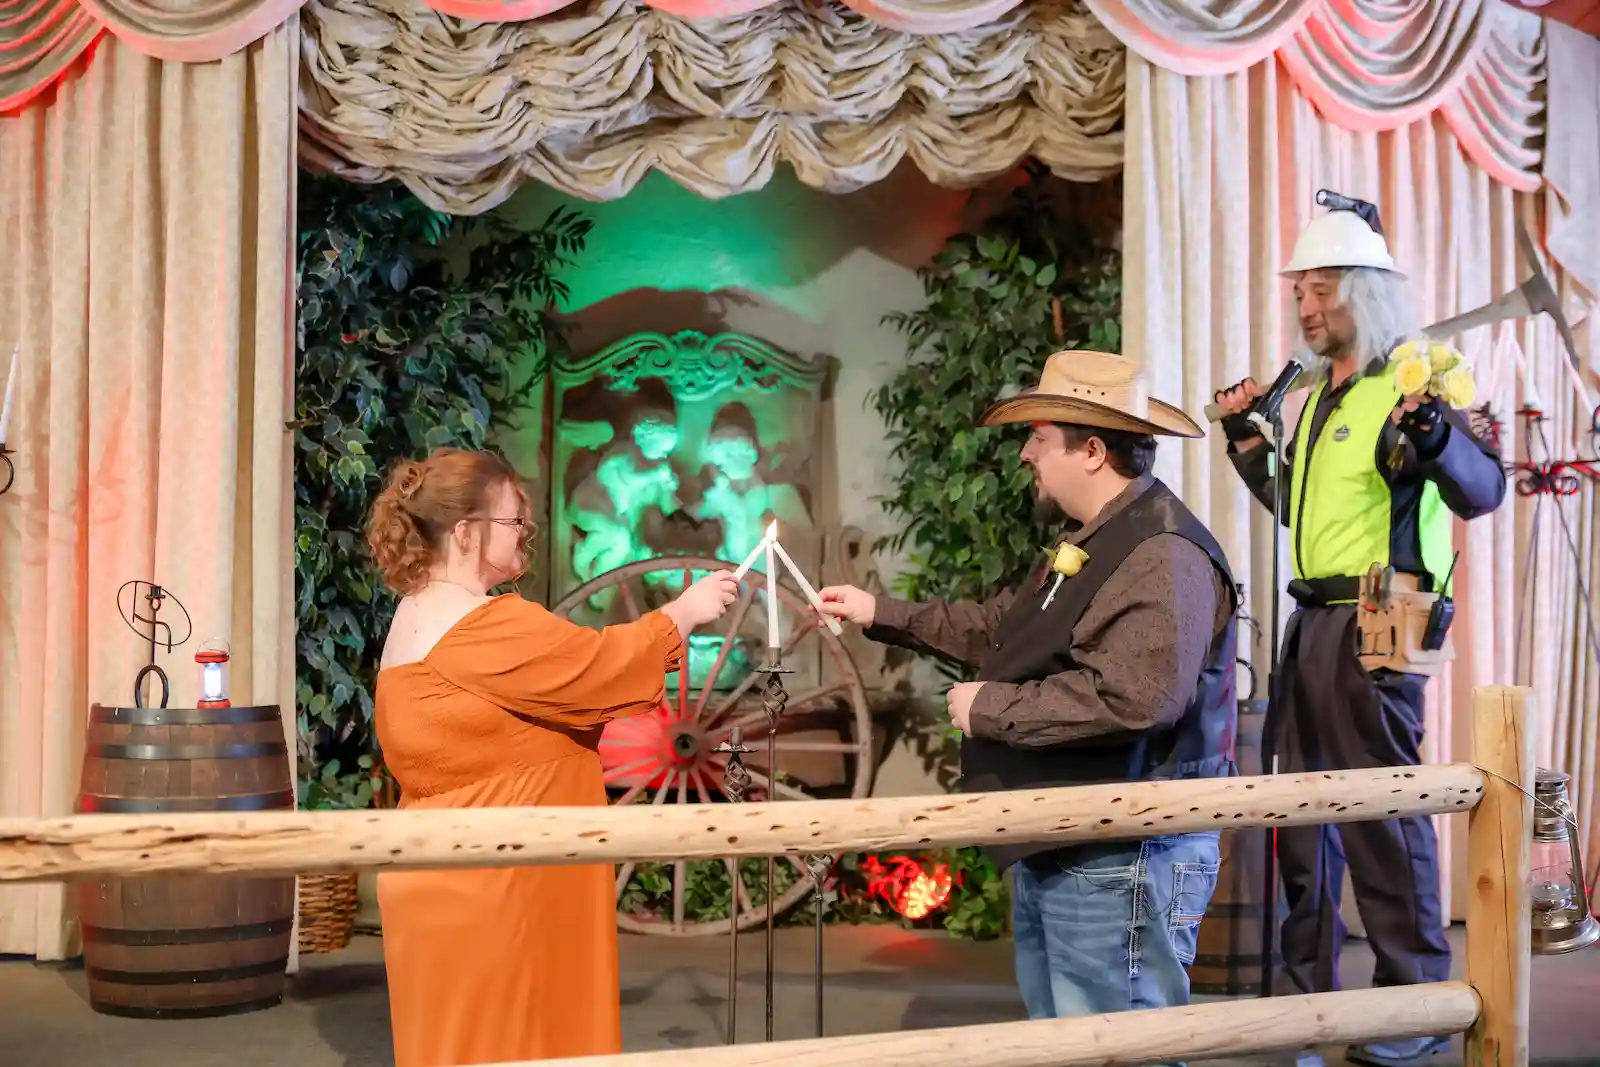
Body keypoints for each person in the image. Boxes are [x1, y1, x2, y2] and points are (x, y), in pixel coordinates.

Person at [820, 350, 1239, 1027]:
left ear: (1094, 450)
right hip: (1070, 837)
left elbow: (1138, 696)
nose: (1025, 455)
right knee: (1064, 1035)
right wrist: (882, 613)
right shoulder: (1097, 538)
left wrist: (990, 707)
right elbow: (1005, 629)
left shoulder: (1162, 554)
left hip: (1123, 852)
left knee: (1120, 1040)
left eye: (1039, 437)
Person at [1212, 192, 1507, 1067]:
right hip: (1311, 622)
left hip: (1380, 623)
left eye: (1324, 289)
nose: (1307, 306)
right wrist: (1243, 437)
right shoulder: (1311, 393)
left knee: (1385, 818)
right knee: (1299, 824)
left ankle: (1412, 1003)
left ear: (1367, 293)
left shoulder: (1415, 378)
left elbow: (1482, 491)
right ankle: (1305, 1008)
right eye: (1300, 290)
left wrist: (1435, 435)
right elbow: (1299, 513)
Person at [366, 447, 739, 1067]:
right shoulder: (481, 626)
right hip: (501, 883)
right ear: (465, 532)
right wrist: (682, 614)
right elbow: (597, 667)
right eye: (512, 521)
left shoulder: (416, 615)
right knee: (514, 1041)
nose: (525, 534)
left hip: (449, 872)